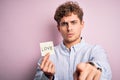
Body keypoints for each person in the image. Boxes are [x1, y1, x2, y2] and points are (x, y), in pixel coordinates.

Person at [34, 1, 112, 80]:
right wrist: (48, 76)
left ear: (82, 24)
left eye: (73, 22)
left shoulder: (95, 50)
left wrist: (94, 69)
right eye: (64, 24)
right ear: (58, 28)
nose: (69, 28)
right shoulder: (48, 55)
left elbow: (106, 73)